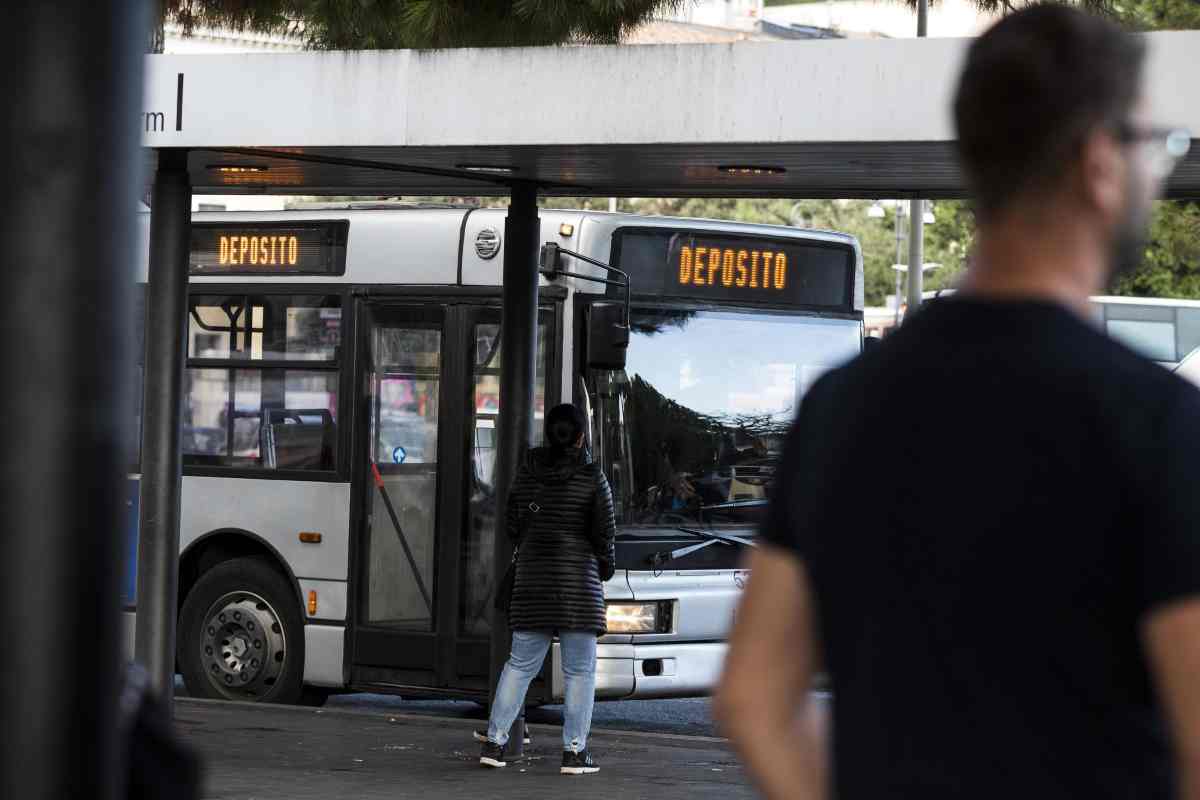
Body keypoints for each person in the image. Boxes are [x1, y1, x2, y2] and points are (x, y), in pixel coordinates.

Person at [716, 6, 1196, 800]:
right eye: (1152, 144)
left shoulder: (840, 406)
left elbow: (753, 699)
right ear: (1099, 162)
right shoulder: (1158, 425)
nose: (1158, 171)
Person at [479, 403, 617, 775]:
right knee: (579, 671)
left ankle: (495, 743)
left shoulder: (527, 474)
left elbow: (511, 524)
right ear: (581, 435)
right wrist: (606, 565)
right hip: (578, 587)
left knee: (520, 665)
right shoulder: (593, 477)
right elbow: (604, 533)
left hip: (533, 581)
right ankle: (574, 752)